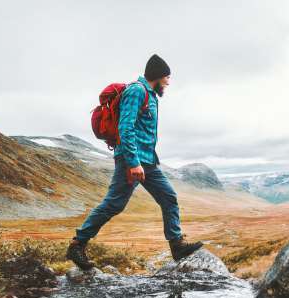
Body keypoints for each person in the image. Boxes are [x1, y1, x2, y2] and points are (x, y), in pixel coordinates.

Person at [66, 54, 203, 270]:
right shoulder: (136, 91)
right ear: (157, 76)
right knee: (114, 204)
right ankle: (77, 244)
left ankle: (176, 245)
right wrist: (132, 162)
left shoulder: (151, 95)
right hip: (132, 160)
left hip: (148, 161)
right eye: (167, 77)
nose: (168, 82)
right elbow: (125, 127)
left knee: (168, 197)